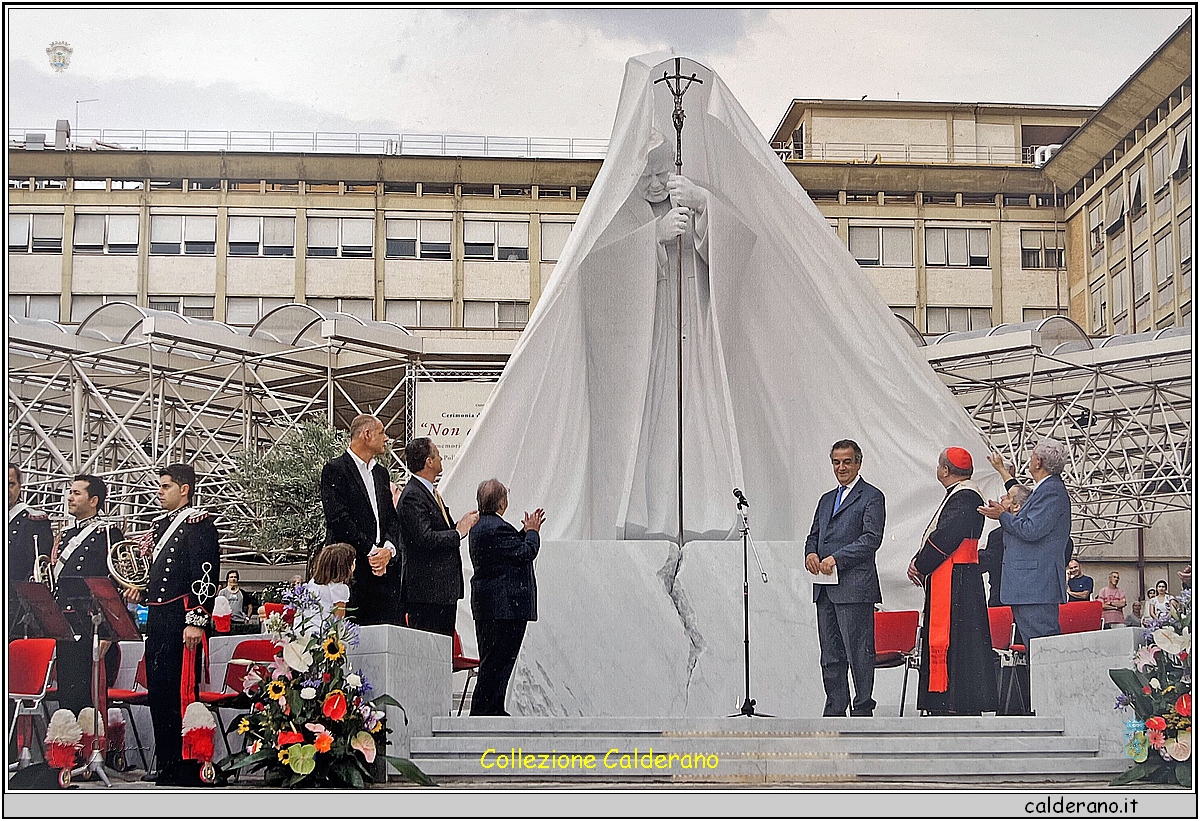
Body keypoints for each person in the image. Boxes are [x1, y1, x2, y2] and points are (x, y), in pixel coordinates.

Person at [122, 463, 220, 786]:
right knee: (160, 692)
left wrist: (197, 618)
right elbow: (154, 576)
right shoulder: (158, 525)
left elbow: (204, 573)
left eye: (165, 486)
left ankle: (186, 763)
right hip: (158, 618)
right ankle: (166, 763)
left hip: (182, 616)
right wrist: (140, 588)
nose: (159, 492)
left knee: (181, 693)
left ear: (184, 489)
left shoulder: (198, 523)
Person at [907, 447, 997, 716]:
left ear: (945, 470)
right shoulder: (961, 495)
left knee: (957, 641)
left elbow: (946, 537)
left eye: (939, 465)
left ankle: (952, 701)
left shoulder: (965, 496)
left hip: (957, 579)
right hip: (956, 577)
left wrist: (920, 564)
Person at [804, 439, 886, 717]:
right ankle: (835, 708)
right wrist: (811, 554)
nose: (841, 467)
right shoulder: (826, 499)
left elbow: (871, 539)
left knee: (859, 653)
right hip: (825, 589)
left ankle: (863, 708)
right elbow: (813, 534)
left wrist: (837, 558)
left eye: (847, 461)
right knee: (830, 654)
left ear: (858, 463)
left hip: (854, 588)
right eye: (836, 462)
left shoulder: (872, 496)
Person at [979, 438, 1072, 643]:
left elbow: (1031, 529)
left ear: (1038, 462)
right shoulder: (1046, 488)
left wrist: (1002, 515)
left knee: (1042, 648)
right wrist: (1002, 471)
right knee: (1037, 647)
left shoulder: (1051, 491)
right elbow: (1021, 496)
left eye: (1031, 457)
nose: (1029, 460)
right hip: (1032, 586)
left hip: (1035, 586)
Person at [467, 479, 544, 716]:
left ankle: (493, 709)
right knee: (497, 662)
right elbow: (525, 552)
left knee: (495, 660)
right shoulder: (495, 528)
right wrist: (532, 533)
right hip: (504, 607)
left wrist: (524, 531)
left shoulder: (484, 526)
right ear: (502, 502)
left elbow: (507, 550)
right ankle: (484, 711)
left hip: (492, 606)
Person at [52, 474, 126, 714]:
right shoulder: (65, 535)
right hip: (67, 625)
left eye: (76, 493)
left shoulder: (108, 534)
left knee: (89, 702)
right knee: (67, 699)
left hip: (93, 625)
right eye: (70, 492)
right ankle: (67, 750)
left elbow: (115, 585)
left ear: (94, 500)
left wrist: (108, 631)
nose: (69, 497)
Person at [319, 414, 402, 626]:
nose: (386, 439)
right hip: (350, 574)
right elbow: (338, 518)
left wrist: (388, 550)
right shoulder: (335, 470)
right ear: (366, 435)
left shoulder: (381, 473)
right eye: (382, 432)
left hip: (382, 574)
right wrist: (372, 551)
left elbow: (392, 518)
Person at [398, 437, 479, 637]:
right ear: (429, 461)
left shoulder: (430, 492)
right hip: (428, 592)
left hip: (441, 591)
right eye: (437, 453)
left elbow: (438, 529)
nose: (441, 457)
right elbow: (424, 538)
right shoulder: (413, 495)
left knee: (443, 651)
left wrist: (459, 525)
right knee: (430, 652)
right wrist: (458, 532)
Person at [8, 463, 53, 624]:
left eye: (11, 484)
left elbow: (38, 569)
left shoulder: (33, 520)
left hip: (15, 608)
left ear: (20, 487)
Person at [976, 485, 1030, 607]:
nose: (1002, 497)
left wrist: (980, 552)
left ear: (1016, 506)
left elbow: (987, 561)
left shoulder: (999, 535)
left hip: (1002, 599)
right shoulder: (1034, 532)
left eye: (1008, 496)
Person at [304, 542, 355, 624]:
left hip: (305, 627)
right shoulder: (340, 588)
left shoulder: (312, 582)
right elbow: (339, 619)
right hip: (323, 631)